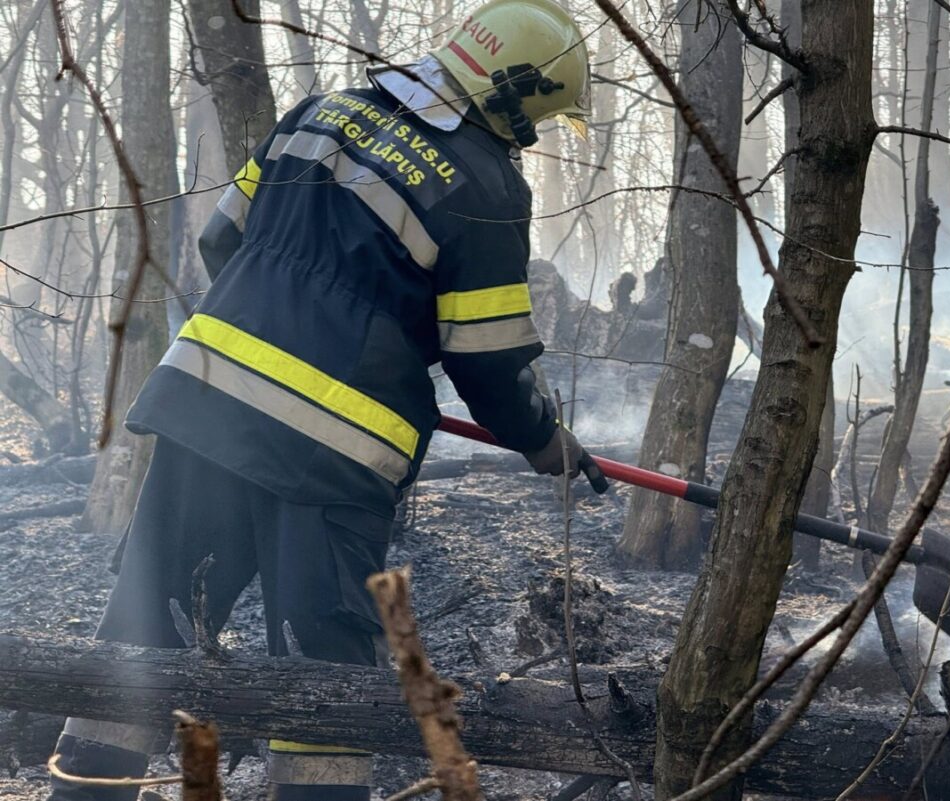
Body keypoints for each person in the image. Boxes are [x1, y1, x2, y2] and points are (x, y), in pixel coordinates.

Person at [49, 2, 594, 799]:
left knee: (145, 624)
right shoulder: (484, 183)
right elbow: (489, 360)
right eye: (537, 117)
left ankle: (79, 794)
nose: (531, 135)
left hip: (204, 407)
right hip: (327, 459)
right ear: (516, 94)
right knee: (322, 672)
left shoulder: (321, 112)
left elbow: (222, 238)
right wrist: (544, 438)